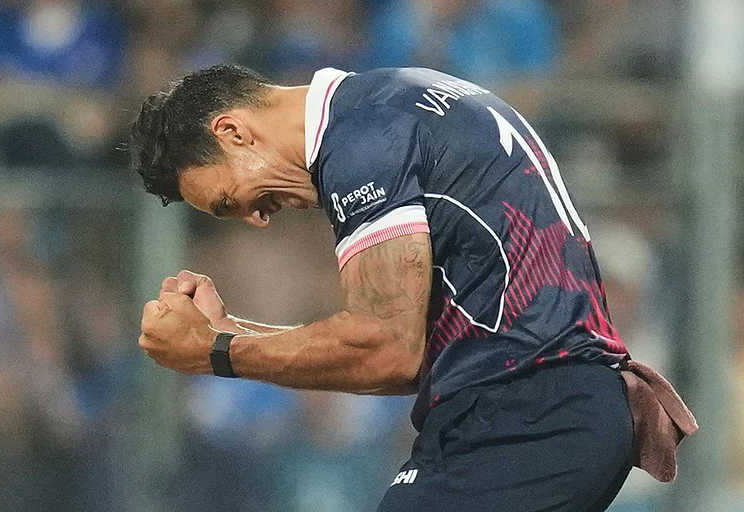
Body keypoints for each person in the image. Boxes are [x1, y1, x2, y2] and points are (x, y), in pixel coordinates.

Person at [129, 65, 680, 511]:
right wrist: (232, 333)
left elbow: (385, 350)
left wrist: (215, 353)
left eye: (232, 200)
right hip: (555, 408)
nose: (255, 218)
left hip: (526, 416)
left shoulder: (361, 140)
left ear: (232, 131)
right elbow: (415, 350)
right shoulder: (395, 101)